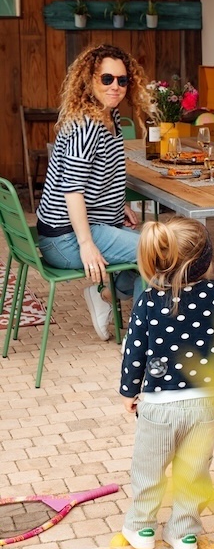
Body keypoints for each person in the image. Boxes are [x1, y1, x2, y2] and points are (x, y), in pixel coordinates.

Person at [119, 218, 214, 549]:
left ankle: (142, 527)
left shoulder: (148, 300)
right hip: (202, 405)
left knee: (149, 469)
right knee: (194, 471)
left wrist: (130, 391)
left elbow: (135, 351)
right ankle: (184, 533)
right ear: (205, 261)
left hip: (158, 404)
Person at [36, 43, 153, 341]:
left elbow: (100, 175)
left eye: (122, 80)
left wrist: (119, 203)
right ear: (89, 80)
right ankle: (139, 339)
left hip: (83, 228)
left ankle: (103, 296)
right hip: (66, 239)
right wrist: (86, 243)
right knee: (156, 252)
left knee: (151, 244)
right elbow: (72, 190)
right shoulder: (86, 126)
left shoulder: (108, 117)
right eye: (107, 79)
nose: (116, 86)